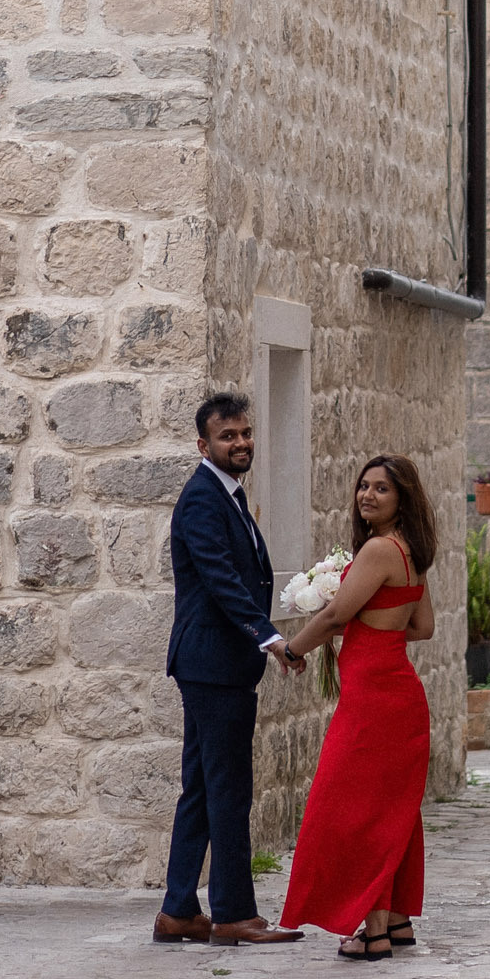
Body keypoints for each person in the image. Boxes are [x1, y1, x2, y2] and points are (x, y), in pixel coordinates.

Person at [156, 390, 305, 945]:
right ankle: (234, 914)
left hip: (215, 665)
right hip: (213, 664)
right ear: (204, 444)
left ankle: (177, 911)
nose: (241, 443)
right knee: (228, 789)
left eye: (245, 433)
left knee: (199, 786)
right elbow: (222, 581)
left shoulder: (229, 495)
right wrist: (270, 638)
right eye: (228, 436)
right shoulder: (202, 499)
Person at [278, 453, 437, 960]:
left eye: (381, 489)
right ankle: (395, 920)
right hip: (401, 695)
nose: (367, 495)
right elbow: (421, 626)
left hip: (372, 700)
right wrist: (376, 624)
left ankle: (373, 933)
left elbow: (334, 616)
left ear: (401, 499)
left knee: (353, 810)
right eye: (363, 487)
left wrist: (291, 650)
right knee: (392, 811)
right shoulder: (411, 551)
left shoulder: (376, 550)